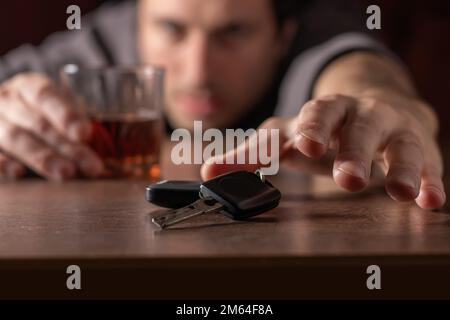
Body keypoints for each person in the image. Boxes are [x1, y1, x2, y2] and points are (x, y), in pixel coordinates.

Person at [0, 0, 445, 210]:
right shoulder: (103, 40)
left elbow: (359, 72)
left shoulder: (316, 32)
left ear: (282, 36)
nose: (197, 72)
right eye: (172, 29)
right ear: (134, 24)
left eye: (232, 34)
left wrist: (386, 104)